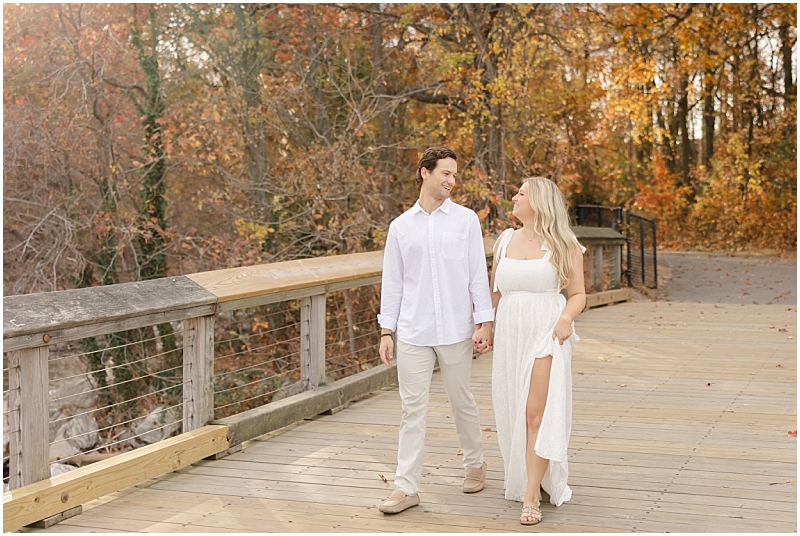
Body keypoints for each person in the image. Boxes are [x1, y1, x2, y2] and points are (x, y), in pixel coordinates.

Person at [376, 146, 494, 514]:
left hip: (457, 328)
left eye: (455, 175)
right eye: (445, 173)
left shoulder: (465, 221)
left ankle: (475, 463)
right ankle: (406, 488)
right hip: (413, 331)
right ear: (425, 172)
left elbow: (478, 273)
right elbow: (393, 283)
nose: (451, 181)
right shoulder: (400, 227)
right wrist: (385, 330)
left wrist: (485, 320)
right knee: (412, 410)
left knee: (462, 401)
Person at [487, 177, 586, 525]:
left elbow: (578, 294)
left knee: (535, 414)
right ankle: (531, 477)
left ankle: (532, 497)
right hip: (511, 334)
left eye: (521, 193)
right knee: (513, 409)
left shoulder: (564, 243)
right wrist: (483, 326)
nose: (514, 197)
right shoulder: (504, 240)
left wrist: (565, 319)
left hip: (547, 332)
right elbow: (494, 294)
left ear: (539, 201)